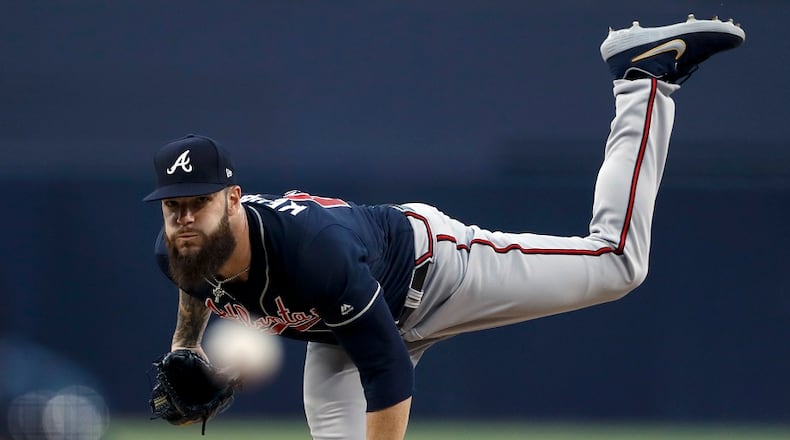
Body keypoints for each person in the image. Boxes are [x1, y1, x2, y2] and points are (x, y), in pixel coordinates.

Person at [144, 16, 744, 440]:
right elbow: (190, 280)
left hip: (435, 274)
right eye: (174, 208)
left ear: (233, 198)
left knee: (619, 265)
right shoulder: (181, 249)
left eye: (198, 203)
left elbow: (389, 368)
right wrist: (184, 346)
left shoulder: (310, 252)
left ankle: (642, 80)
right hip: (344, 340)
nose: (185, 219)